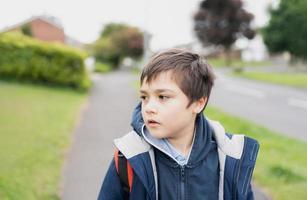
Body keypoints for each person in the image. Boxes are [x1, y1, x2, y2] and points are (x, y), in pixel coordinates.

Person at [98, 48, 259, 200]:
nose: (148, 108)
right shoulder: (129, 154)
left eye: (163, 97)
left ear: (198, 103)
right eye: (144, 97)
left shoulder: (230, 157)